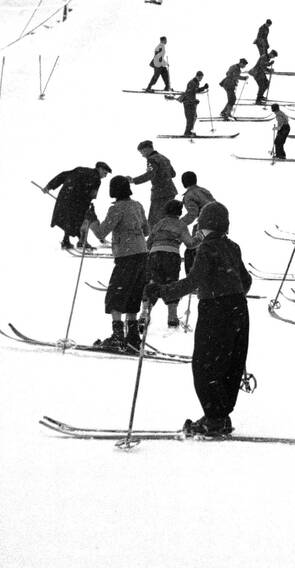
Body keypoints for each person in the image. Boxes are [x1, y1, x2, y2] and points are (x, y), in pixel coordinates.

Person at [149, 201, 252, 437]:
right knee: (229, 362)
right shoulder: (233, 247)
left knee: (205, 364)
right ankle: (220, 415)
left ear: (206, 226)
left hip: (215, 310)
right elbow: (246, 281)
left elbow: (192, 281)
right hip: (238, 309)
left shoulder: (207, 248)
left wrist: (161, 290)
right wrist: (230, 290)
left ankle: (214, 418)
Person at [88, 176, 149, 352]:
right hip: (142, 254)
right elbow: (146, 230)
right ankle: (133, 336)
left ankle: (117, 336)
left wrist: (91, 219)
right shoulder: (137, 205)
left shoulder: (116, 209)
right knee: (133, 293)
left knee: (116, 294)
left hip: (126, 256)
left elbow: (101, 232)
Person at [146, 199, 194, 328]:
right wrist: (199, 238)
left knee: (152, 283)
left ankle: (145, 313)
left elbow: (148, 243)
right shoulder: (181, 225)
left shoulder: (159, 224)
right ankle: (172, 317)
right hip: (171, 256)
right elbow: (189, 244)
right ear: (179, 212)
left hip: (154, 255)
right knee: (172, 284)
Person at [44, 161, 111, 250]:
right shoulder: (96, 180)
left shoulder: (80, 169)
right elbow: (91, 195)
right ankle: (82, 242)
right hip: (77, 201)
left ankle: (66, 241)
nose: (105, 176)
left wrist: (49, 186)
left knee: (68, 219)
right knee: (82, 219)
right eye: (105, 173)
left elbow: (63, 175)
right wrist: (88, 207)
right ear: (100, 169)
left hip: (65, 197)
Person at [132, 141, 177, 225]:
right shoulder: (164, 158)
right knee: (168, 218)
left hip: (160, 194)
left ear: (146, 149)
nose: (142, 155)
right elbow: (173, 174)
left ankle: (155, 237)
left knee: (154, 221)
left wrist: (133, 180)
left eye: (142, 152)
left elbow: (149, 175)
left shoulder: (151, 160)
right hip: (171, 191)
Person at [179, 71, 208, 137]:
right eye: (200, 77)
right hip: (187, 102)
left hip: (191, 102)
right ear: (197, 76)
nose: (201, 79)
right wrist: (194, 101)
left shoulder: (196, 82)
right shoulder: (192, 82)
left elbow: (195, 91)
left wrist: (203, 87)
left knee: (194, 117)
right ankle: (187, 133)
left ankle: (190, 131)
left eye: (201, 78)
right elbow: (190, 93)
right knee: (190, 118)